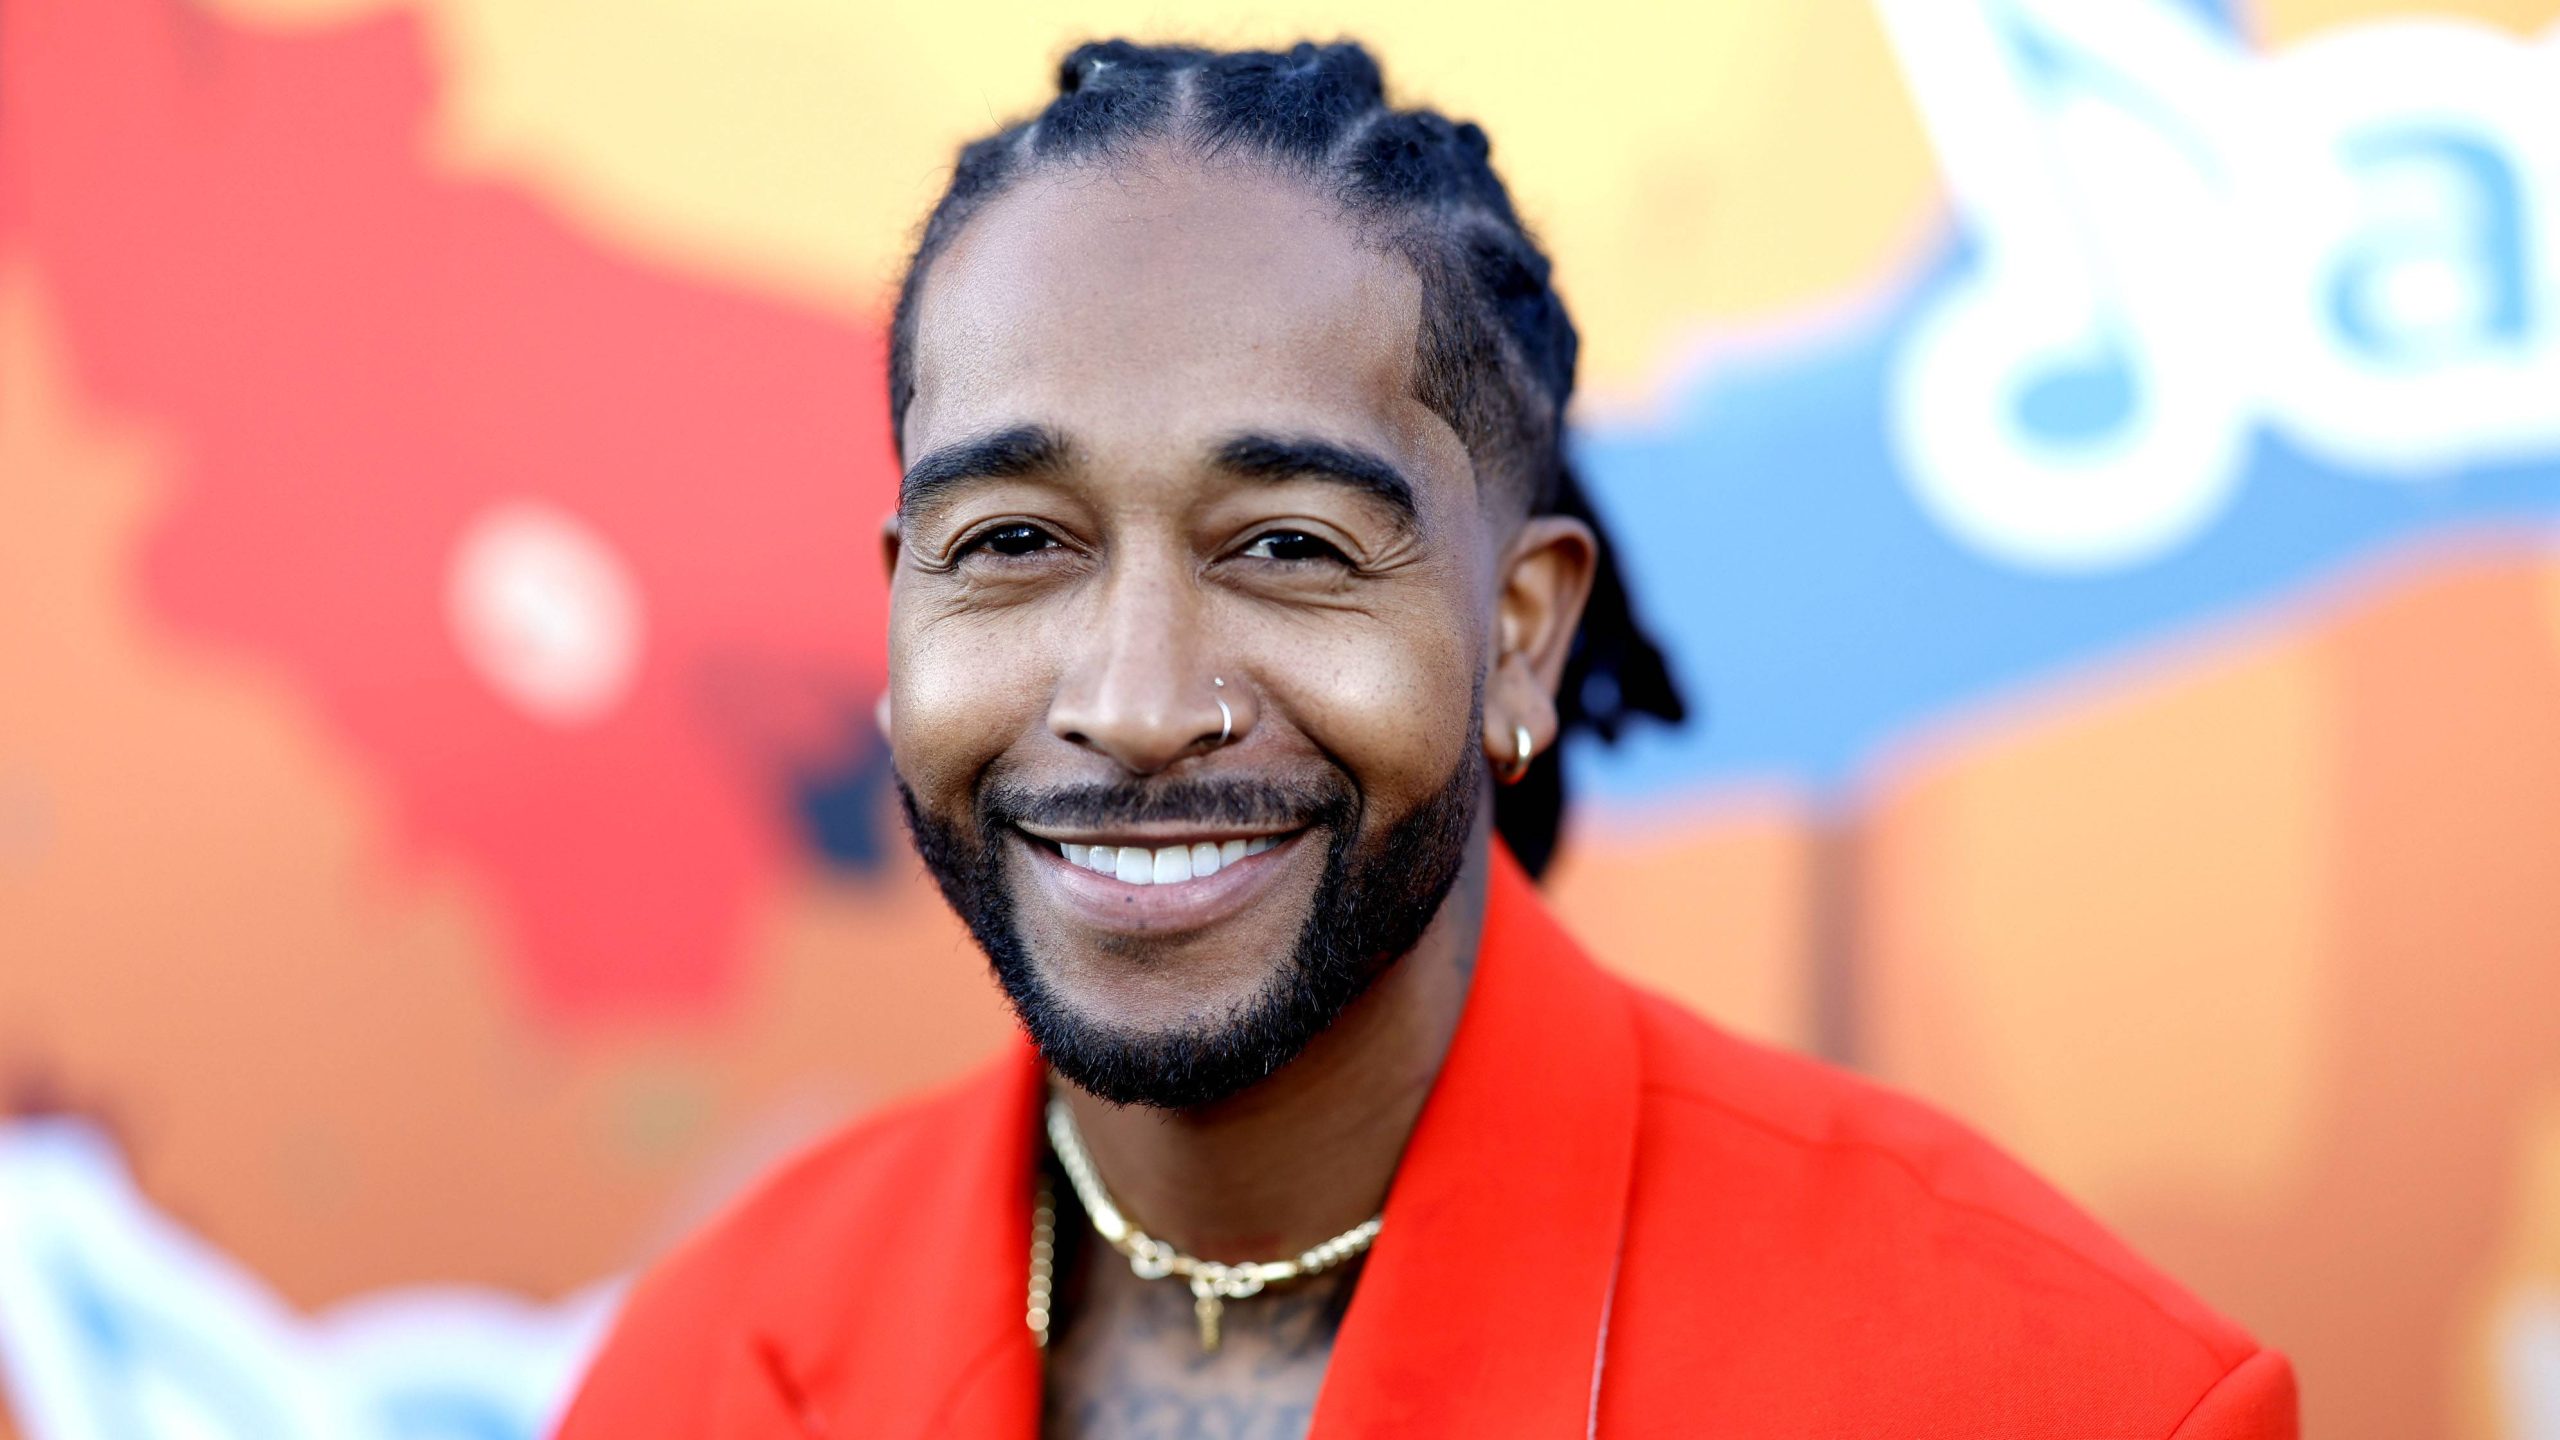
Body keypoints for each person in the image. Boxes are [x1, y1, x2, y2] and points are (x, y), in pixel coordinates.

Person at [555, 39, 2298, 1439]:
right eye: (1012, 542)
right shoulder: (706, 1371)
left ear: (1518, 633)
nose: (1143, 703)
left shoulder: (2055, 1391)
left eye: (1290, 546)